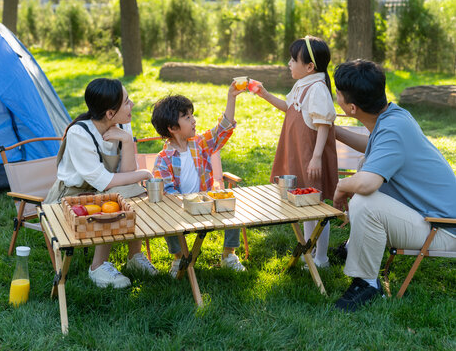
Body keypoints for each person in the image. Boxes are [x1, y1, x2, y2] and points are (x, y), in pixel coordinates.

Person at [332, 60, 456, 311]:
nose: (336, 96)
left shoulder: (394, 129)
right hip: (431, 216)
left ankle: (367, 282)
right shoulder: (393, 115)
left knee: (365, 200)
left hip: (444, 230)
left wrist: (341, 186)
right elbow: (373, 148)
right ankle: (355, 245)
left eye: (339, 94)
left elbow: (367, 184)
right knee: (366, 165)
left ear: (352, 107)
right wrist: (333, 131)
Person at [44, 78, 158, 289]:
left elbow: (126, 173)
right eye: (126, 102)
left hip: (105, 188)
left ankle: (134, 257)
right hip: (70, 196)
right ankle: (98, 267)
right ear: (109, 113)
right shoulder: (80, 133)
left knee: (134, 191)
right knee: (114, 196)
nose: (132, 104)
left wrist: (126, 140)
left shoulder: (123, 124)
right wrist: (145, 173)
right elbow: (104, 182)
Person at [253, 36, 338, 269]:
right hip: (299, 151)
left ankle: (321, 258)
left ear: (310, 66)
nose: (289, 63)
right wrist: (265, 94)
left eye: (293, 59)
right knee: (304, 202)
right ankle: (310, 252)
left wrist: (317, 157)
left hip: (310, 153)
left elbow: (323, 125)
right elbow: (289, 107)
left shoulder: (318, 88)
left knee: (315, 204)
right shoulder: (303, 83)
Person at [151, 83, 245, 277]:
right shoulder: (163, 159)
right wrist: (188, 205)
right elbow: (167, 192)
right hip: (180, 210)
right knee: (167, 217)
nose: (194, 120)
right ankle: (179, 258)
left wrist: (231, 97)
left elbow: (222, 129)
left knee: (231, 205)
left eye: (192, 115)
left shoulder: (200, 143)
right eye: (187, 117)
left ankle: (229, 255)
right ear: (173, 128)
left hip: (207, 203)